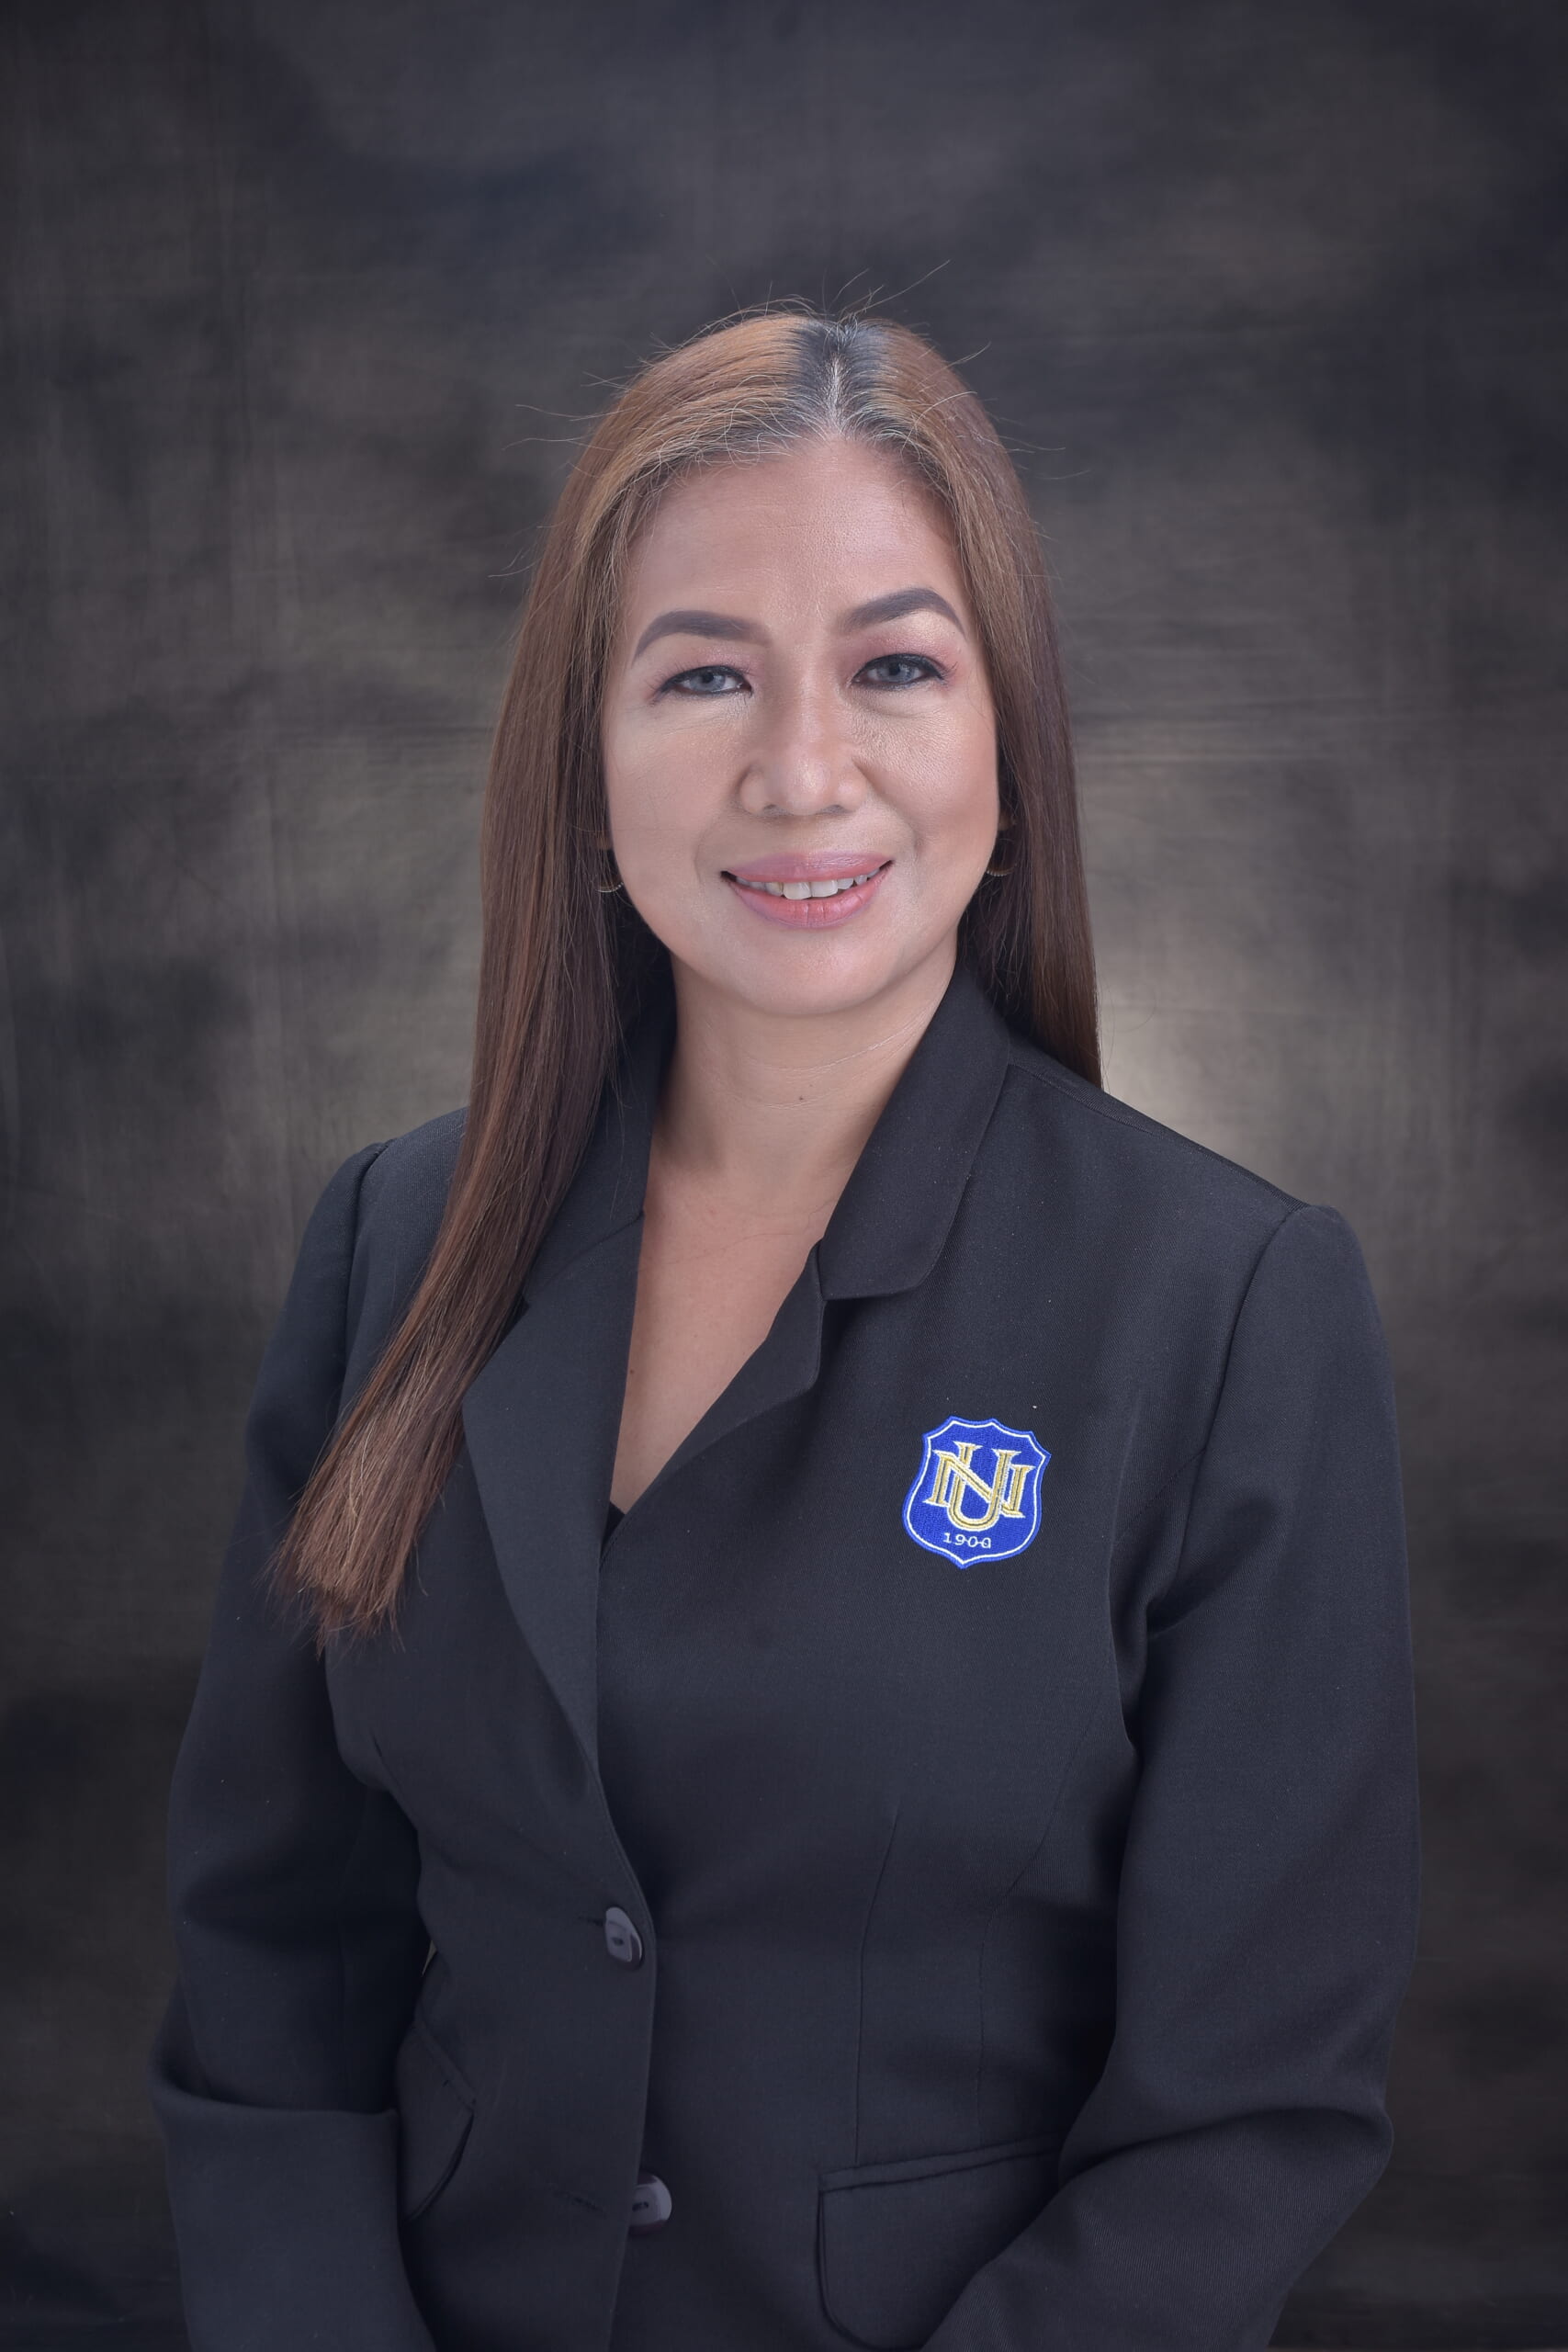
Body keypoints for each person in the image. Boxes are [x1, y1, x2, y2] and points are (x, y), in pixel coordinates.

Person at [149, 306, 1420, 2352]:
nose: (800, 769)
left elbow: (1242, 2119)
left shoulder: (1226, 1303)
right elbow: (272, 1962)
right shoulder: (393, 1239)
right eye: (703, 674)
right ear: (584, 766)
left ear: (1008, 743)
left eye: (893, 667)